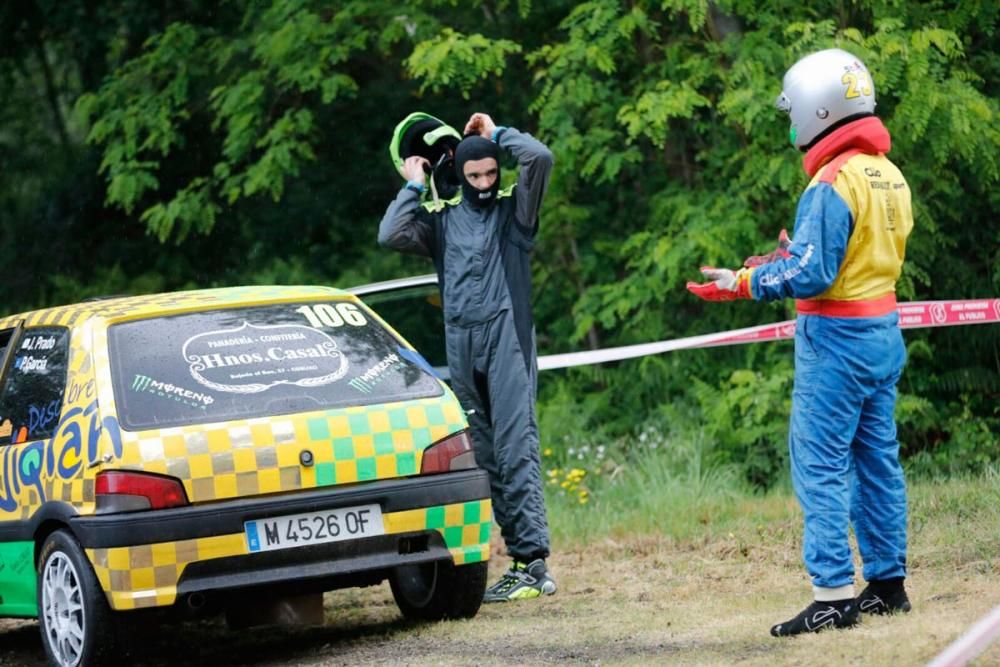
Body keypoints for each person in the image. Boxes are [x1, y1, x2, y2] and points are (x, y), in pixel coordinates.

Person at [686, 48, 914, 636]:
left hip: (835, 339)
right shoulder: (887, 173)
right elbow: (852, 257)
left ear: (818, 110)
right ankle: (888, 586)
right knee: (877, 461)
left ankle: (833, 595)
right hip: (882, 332)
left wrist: (742, 281)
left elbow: (812, 275)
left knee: (820, 465)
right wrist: (796, 254)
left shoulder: (831, 180)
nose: (791, 125)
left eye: (794, 112)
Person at [379, 112, 557, 602]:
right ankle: (519, 561)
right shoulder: (440, 223)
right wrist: (413, 185)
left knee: (515, 446)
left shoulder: (514, 215)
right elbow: (390, 234)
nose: (483, 183)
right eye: (474, 175)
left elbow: (540, 158)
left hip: (508, 342)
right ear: (458, 173)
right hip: (462, 348)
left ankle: (533, 563)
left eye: (490, 174)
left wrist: (495, 134)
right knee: (486, 456)